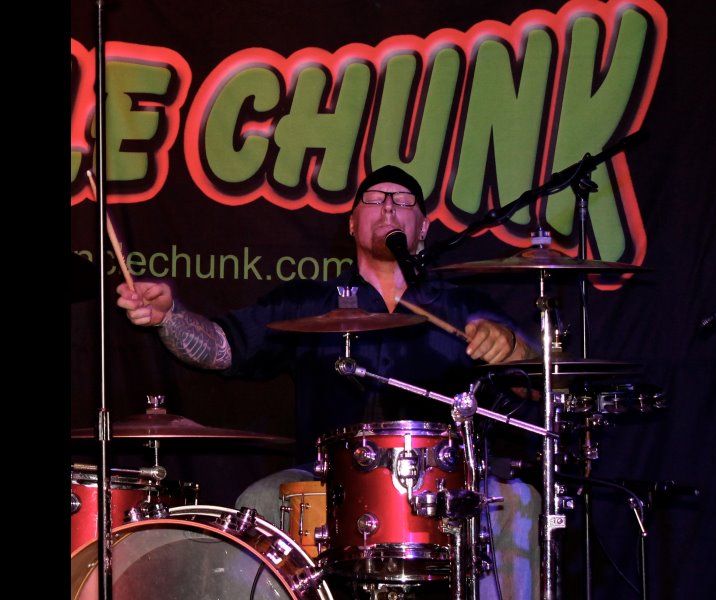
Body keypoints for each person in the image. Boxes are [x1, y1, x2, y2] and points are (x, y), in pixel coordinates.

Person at [116, 165, 542, 599]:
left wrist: (514, 347)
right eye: (374, 199)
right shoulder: (308, 303)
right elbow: (221, 348)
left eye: (402, 200)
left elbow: (534, 381)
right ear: (352, 223)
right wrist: (169, 317)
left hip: (443, 482)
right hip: (325, 481)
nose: (389, 207)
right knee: (259, 500)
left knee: (518, 500)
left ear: (423, 228)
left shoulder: (465, 307)